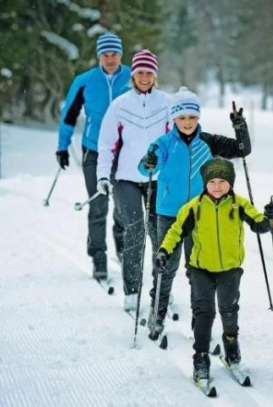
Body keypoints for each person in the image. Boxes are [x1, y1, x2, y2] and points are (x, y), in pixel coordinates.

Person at [138, 87, 251, 340]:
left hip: (201, 215)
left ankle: (199, 323)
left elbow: (243, 149)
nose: (187, 122)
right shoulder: (163, 143)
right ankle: (157, 315)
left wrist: (240, 127)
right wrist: (148, 161)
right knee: (165, 266)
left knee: (197, 271)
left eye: (192, 117)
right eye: (181, 117)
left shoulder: (209, 141)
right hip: (169, 214)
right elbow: (144, 168)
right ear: (174, 119)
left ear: (198, 117)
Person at [154, 157, 273, 383]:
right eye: (212, 182)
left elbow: (259, 224)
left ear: (230, 183)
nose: (218, 186)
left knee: (228, 310)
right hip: (200, 269)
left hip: (230, 269)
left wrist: (270, 219)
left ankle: (232, 351)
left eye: (223, 181)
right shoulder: (193, 207)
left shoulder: (239, 204)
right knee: (204, 313)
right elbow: (175, 231)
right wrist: (164, 251)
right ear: (205, 183)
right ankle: (200, 359)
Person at [96, 49, 171, 311]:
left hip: (157, 178)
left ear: (155, 75)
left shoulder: (167, 103)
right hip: (126, 178)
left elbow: (176, 141)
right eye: (140, 72)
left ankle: (161, 288)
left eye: (149, 72)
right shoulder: (119, 105)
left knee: (159, 233)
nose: (144, 77)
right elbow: (106, 144)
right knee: (135, 229)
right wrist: (102, 175)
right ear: (133, 75)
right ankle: (132, 290)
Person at [56, 33, 131, 279]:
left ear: (121, 55)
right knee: (98, 204)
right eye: (105, 55)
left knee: (123, 203)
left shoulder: (133, 77)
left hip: (125, 151)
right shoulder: (85, 81)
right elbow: (69, 114)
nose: (110, 59)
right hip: (94, 150)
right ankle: (98, 254)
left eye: (114, 54)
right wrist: (62, 146)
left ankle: (122, 242)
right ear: (99, 56)